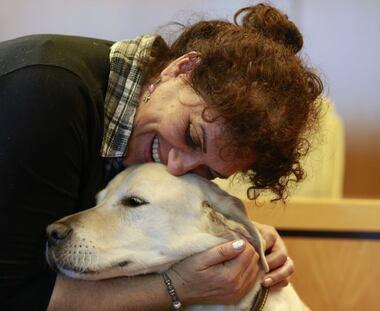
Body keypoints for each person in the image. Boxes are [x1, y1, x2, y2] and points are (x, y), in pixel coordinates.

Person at [0, 3, 322, 310]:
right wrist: (178, 287)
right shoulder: (49, 95)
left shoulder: (139, 128)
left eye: (208, 171)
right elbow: (13, 294)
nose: (175, 166)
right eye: (190, 135)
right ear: (183, 68)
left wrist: (240, 241)